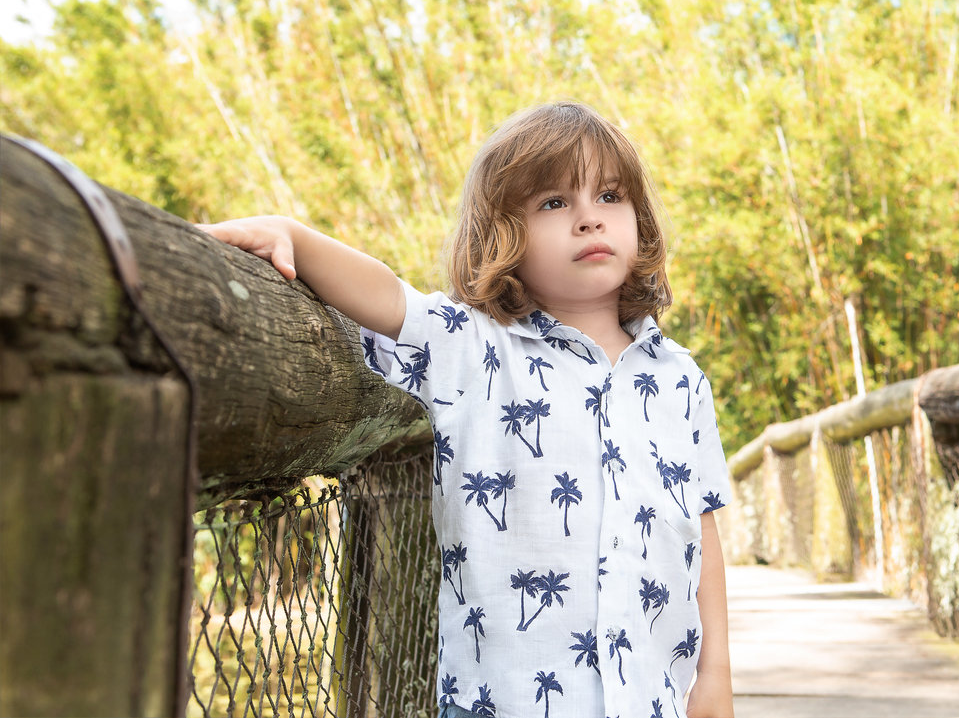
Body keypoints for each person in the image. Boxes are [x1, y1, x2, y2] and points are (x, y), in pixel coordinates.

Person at [199, 101, 734, 718]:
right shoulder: (473, 348)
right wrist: (294, 236)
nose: (589, 218)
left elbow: (701, 528)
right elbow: (389, 298)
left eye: (610, 196)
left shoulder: (680, 379)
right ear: (505, 235)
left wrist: (714, 673)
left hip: (653, 697)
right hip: (504, 701)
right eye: (553, 202)